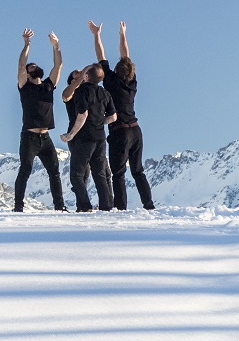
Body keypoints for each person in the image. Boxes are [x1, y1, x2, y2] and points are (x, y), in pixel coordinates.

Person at [90, 20, 156, 210]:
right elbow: (126, 56)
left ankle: (120, 208)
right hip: (136, 130)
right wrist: (122, 34)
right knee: (138, 171)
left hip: (119, 131)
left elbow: (101, 55)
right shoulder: (132, 83)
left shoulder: (110, 82)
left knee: (118, 173)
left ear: (116, 71)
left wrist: (96, 35)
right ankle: (149, 205)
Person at [13, 29, 68, 212]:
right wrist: (26, 44)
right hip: (29, 137)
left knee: (54, 172)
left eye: (34, 65)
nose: (33, 66)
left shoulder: (48, 86)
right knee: (25, 171)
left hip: (45, 138)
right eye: (31, 67)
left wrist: (56, 46)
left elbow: (58, 65)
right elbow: (21, 65)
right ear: (27, 74)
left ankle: (60, 207)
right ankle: (18, 207)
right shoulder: (24, 87)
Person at [60, 64, 117, 212]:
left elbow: (83, 114)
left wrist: (71, 134)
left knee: (76, 175)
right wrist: (98, 122)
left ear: (86, 76)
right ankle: (106, 206)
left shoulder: (81, 92)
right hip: (100, 137)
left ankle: (84, 206)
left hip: (83, 138)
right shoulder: (105, 92)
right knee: (100, 175)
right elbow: (113, 117)